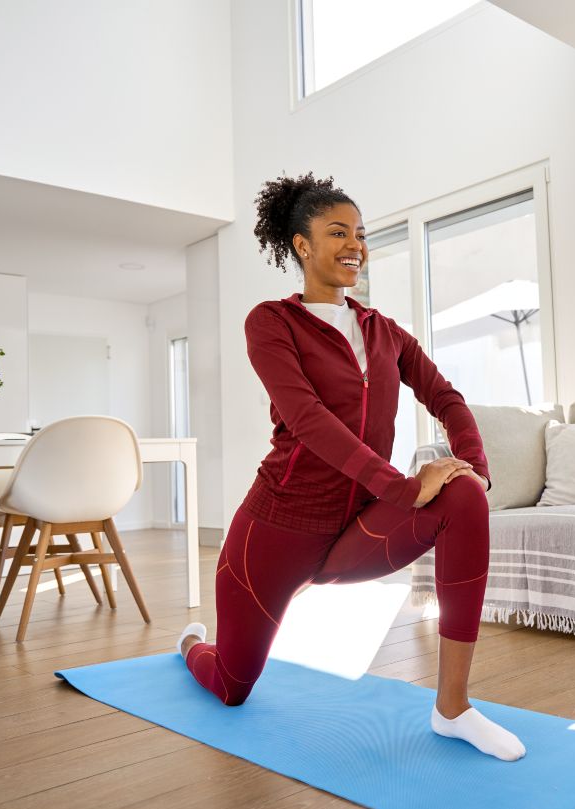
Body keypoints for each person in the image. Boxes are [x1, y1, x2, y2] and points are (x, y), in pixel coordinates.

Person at [176, 172, 525, 761]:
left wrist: (473, 467)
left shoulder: (384, 332)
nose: (355, 245)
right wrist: (405, 486)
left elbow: (447, 399)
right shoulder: (271, 323)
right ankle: (190, 644)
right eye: (338, 232)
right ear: (301, 245)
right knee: (233, 687)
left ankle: (453, 708)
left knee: (464, 497)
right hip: (278, 528)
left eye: (360, 234)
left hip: (358, 525)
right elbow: (308, 419)